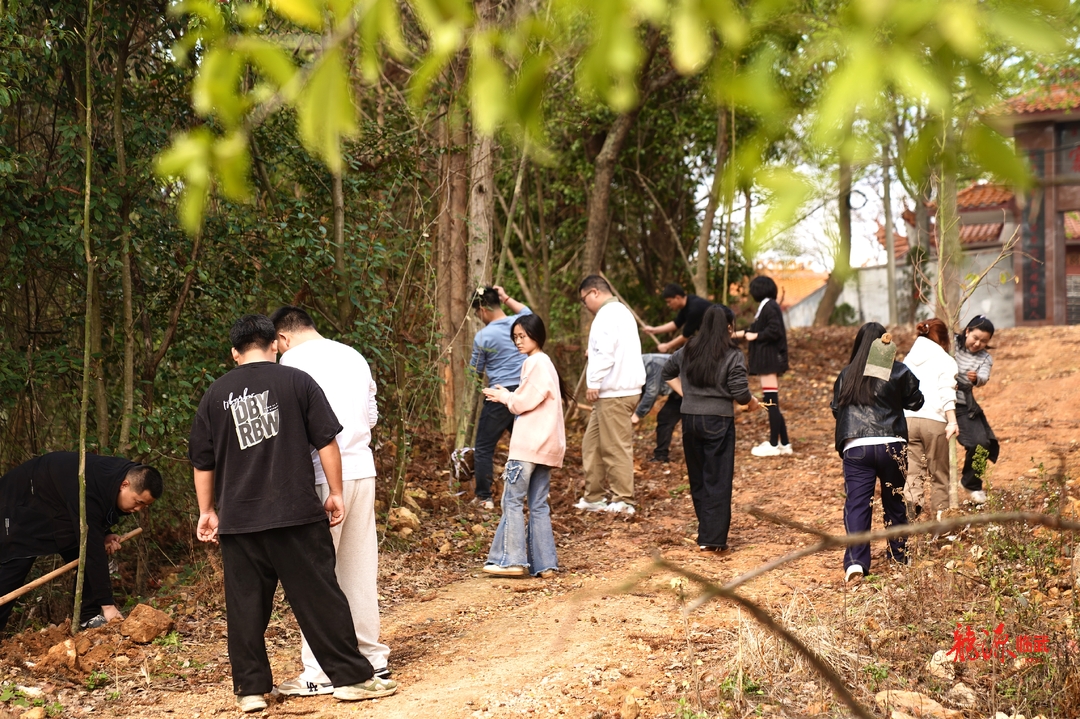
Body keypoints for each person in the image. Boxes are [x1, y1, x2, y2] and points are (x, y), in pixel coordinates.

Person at [188, 314, 397, 713]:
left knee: (246, 607)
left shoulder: (215, 395)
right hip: (295, 512)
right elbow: (326, 441)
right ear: (273, 345)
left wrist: (207, 511)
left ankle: (250, 691)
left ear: (235, 353)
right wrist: (335, 492)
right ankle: (350, 679)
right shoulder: (296, 380)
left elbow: (202, 461)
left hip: (240, 519)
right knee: (320, 595)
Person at [269, 306, 392, 696]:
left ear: (282, 339)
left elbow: (289, 426)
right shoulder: (352, 355)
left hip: (321, 474)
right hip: (361, 468)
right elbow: (371, 416)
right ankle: (372, 658)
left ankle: (320, 671)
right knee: (358, 566)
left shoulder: (289, 363)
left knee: (317, 576)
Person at [0, 453, 161, 633]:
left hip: (58, 508)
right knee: (13, 569)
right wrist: (108, 606)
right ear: (125, 485)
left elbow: (92, 519)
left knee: (92, 553)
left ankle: (89, 617)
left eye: (144, 506)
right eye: (138, 502)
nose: (138, 509)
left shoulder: (120, 475)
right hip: (18, 502)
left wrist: (105, 534)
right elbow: (90, 538)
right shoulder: (90, 488)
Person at [662, 305, 759, 555]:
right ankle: (712, 539)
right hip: (717, 421)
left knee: (698, 477)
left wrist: (688, 396)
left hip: (690, 419)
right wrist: (751, 403)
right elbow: (739, 393)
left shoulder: (689, 348)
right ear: (729, 326)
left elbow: (666, 372)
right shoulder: (732, 353)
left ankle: (706, 531)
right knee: (717, 477)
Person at [831, 323, 923, 583]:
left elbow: (837, 410)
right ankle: (900, 557)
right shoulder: (896, 370)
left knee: (858, 505)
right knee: (894, 502)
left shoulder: (847, 374)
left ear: (859, 344)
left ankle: (856, 563)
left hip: (856, 447)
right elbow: (916, 400)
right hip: (891, 444)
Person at [480, 314, 570, 578]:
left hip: (528, 446)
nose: (519, 342)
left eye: (523, 336)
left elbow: (523, 402)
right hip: (546, 447)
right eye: (515, 337)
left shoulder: (535, 362)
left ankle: (512, 561)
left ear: (537, 336)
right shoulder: (546, 364)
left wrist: (504, 396)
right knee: (538, 504)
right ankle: (545, 565)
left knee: (512, 501)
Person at [575, 276, 646, 515]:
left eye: (584, 299)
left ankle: (624, 499)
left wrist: (593, 382)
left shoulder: (607, 315)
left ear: (594, 292)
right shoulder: (620, 312)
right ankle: (593, 496)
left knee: (615, 446)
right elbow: (611, 348)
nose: (585, 305)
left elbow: (606, 353)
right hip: (613, 391)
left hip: (615, 391)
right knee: (592, 444)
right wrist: (592, 354)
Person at [469, 286, 533, 510]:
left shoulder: (483, 336)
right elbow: (530, 313)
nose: (478, 318)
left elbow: (474, 371)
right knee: (527, 447)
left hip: (498, 395)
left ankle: (484, 498)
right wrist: (506, 297)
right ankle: (533, 496)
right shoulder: (521, 324)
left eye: (477, 313)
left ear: (483, 309)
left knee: (484, 447)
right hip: (524, 394)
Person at [642, 284, 712, 463]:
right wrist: (654, 330)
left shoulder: (696, 308)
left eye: (669, 301)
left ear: (678, 297)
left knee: (694, 418)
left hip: (699, 372)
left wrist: (667, 346)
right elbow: (675, 325)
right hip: (683, 383)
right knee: (666, 416)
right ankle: (661, 455)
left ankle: (707, 452)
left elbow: (686, 335)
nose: (669, 305)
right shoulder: (687, 306)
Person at [901, 319, 959, 517]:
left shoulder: (907, 360)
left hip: (907, 421)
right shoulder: (945, 360)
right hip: (935, 421)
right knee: (939, 476)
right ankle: (942, 526)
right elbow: (946, 391)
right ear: (943, 338)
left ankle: (910, 525)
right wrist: (952, 421)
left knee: (912, 475)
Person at [733, 276, 792, 457]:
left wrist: (756, 336)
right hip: (767, 361)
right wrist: (739, 334)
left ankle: (774, 444)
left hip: (770, 361)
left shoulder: (769, 306)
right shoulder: (766, 306)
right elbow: (760, 329)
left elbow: (774, 330)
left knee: (770, 402)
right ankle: (784, 443)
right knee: (771, 402)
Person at [954, 315, 998, 505]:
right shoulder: (950, 343)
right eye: (975, 337)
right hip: (935, 402)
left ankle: (970, 482)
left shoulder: (985, 358)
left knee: (983, 443)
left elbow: (984, 377)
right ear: (967, 331)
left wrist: (976, 379)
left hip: (963, 405)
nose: (978, 343)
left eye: (984, 341)